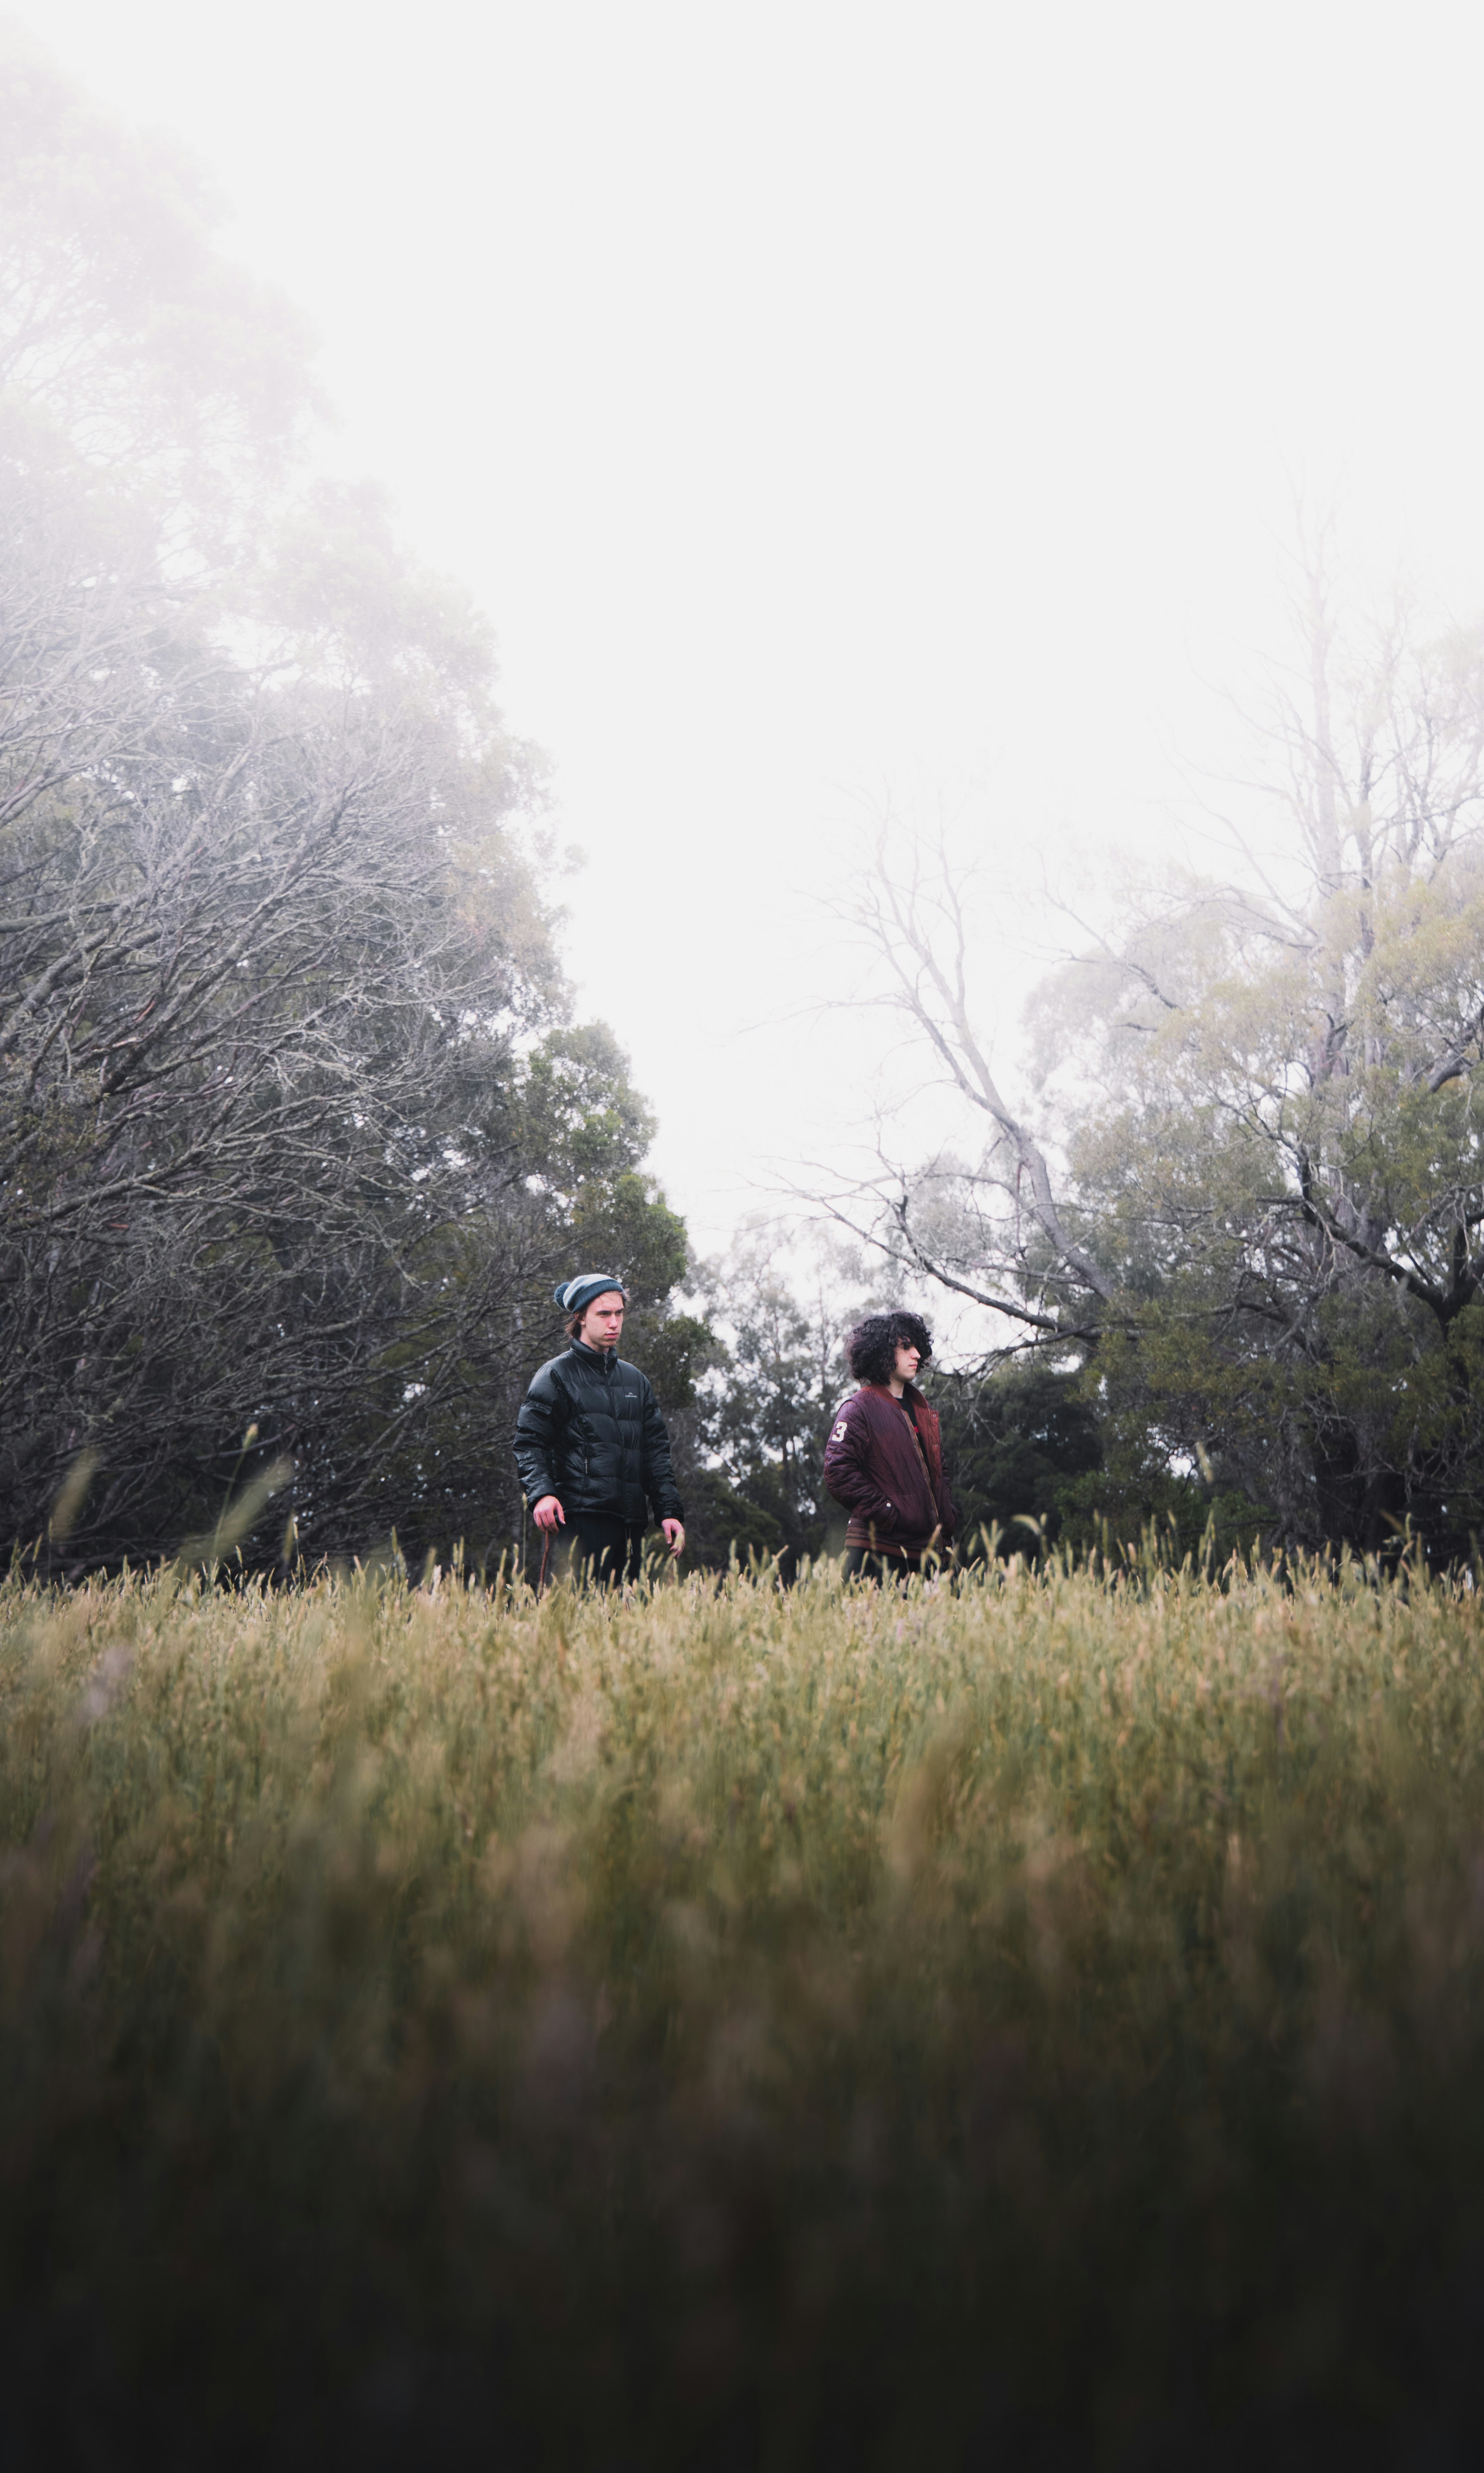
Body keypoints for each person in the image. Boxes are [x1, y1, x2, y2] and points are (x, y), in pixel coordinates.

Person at [513, 1273, 685, 1585]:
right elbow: (529, 1443)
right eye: (604, 1314)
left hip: (632, 1524)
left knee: (629, 1625)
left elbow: (655, 1454)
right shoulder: (555, 1375)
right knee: (582, 1620)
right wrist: (542, 1495)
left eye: (619, 1313)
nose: (614, 1323)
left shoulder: (636, 1381)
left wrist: (668, 1511)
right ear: (580, 1317)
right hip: (580, 1520)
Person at [823, 1310, 955, 1582]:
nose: (917, 1355)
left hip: (928, 1554)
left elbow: (939, 1472)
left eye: (918, 1347)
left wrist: (948, 1515)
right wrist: (887, 1514)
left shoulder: (922, 1409)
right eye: (906, 1347)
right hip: (876, 1557)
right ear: (881, 1353)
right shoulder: (858, 1409)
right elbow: (838, 1472)